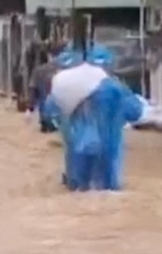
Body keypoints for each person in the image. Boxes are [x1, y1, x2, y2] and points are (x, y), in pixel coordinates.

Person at [42, 44, 143, 191]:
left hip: (76, 166)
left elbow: (49, 112)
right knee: (106, 193)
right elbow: (135, 112)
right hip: (108, 167)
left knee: (79, 191)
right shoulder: (116, 88)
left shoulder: (64, 87)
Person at [28, 41, 66, 133]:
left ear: (49, 55)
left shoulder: (39, 71)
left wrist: (30, 109)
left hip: (46, 118)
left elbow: (33, 91)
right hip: (65, 118)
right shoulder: (69, 70)